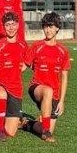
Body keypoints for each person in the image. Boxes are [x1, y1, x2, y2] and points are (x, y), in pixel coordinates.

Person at [24, 12, 70, 143]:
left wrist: (61, 101)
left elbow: (64, 77)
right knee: (47, 91)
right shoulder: (36, 46)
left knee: (48, 127)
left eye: (51, 26)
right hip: (37, 87)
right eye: (45, 26)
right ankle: (45, 132)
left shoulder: (63, 51)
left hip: (55, 94)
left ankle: (29, 124)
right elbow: (23, 66)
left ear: (57, 28)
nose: (48, 30)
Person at [0, 12, 28, 141]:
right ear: (3, 26)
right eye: (7, 25)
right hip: (0, 84)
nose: (11, 27)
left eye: (13, 24)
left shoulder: (23, 45)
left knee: (11, 132)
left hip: (16, 88)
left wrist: (19, 69)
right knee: (1, 94)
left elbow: (27, 62)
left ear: (18, 25)